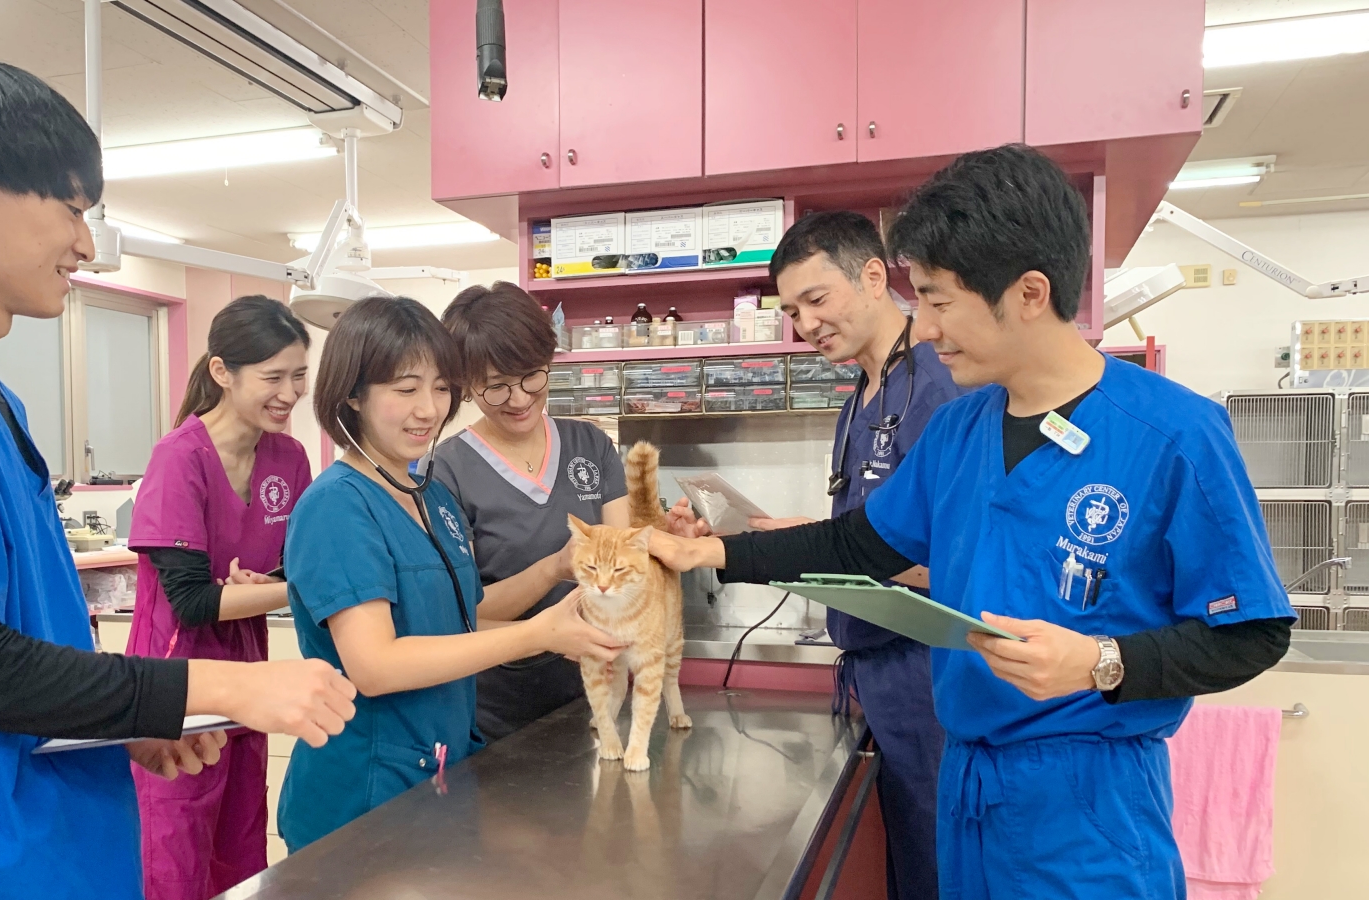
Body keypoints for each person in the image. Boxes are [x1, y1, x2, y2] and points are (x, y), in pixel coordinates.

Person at [0, 60, 356, 899]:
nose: (85, 245)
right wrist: (226, 683)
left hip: (41, 840)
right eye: (71, 210)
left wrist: (126, 728)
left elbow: (22, 641)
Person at [648, 144, 1293, 900]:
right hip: (968, 782)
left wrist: (1101, 662)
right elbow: (858, 544)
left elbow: (1252, 632)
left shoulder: (1174, 434)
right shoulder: (960, 432)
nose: (923, 329)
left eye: (939, 300)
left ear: (1027, 293)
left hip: (1086, 808)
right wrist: (714, 554)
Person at [673, 211, 963, 900]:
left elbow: (955, 555)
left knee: (937, 866)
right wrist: (766, 532)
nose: (805, 324)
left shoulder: (937, 388)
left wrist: (756, 553)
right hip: (875, 668)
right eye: (792, 310)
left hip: (928, 670)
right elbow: (857, 532)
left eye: (816, 299)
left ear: (872, 276)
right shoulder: (860, 394)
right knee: (909, 864)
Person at [276, 295, 626, 851]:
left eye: (441, 388)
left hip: (441, 773)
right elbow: (375, 665)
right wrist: (535, 634)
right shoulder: (337, 505)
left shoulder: (431, 497)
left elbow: (457, 626)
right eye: (405, 388)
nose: (429, 409)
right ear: (353, 393)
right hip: (365, 791)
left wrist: (560, 634)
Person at [126, 295, 315, 900]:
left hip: (247, 679)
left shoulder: (287, 456)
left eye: (298, 376)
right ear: (221, 372)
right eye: (273, 377)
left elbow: (289, 563)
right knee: (175, 852)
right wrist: (287, 589)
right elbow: (190, 602)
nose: (289, 393)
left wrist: (269, 585)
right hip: (176, 687)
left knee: (240, 850)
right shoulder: (179, 458)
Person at [433, 281, 631, 740]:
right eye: (495, 387)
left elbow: (624, 563)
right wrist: (554, 568)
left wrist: (662, 541)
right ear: (466, 386)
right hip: (496, 708)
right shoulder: (447, 470)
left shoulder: (591, 445)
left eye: (531, 376)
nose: (519, 399)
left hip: (594, 691)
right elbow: (460, 614)